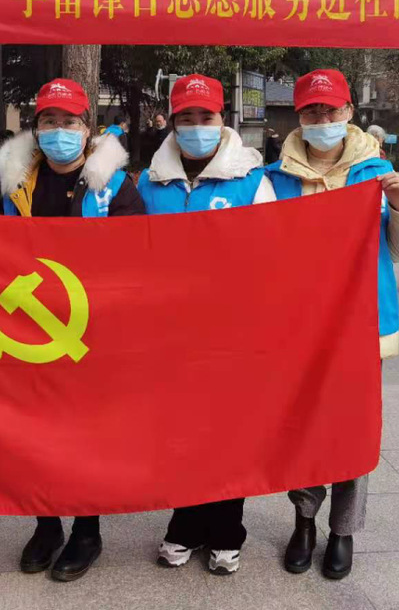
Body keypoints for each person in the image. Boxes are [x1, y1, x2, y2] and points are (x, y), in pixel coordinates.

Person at [264, 69, 399, 581]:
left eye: (331, 110)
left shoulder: (376, 176)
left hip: (361, 323)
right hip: (299, 327)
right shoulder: (274, 179)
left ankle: (343, 530)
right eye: (312, 111)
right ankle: (304, 521)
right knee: (304, 428)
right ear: (299, 116)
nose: (322, 119)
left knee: (353, 431)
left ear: (349, 112)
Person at [0, 78, 145, 581]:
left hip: (91, 332)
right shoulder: (12, 186)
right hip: (31, 330)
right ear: (36, 129)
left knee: (87, 434)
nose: (59, 130)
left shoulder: (115, 187)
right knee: (35, 432)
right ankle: (46, 524)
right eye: (49, 121)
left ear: (87, 127)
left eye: (69, 121)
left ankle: (87, 531)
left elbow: (138, 255)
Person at [138, 73, 275, 576]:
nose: (197, 126)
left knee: (228, 431)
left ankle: (226, 529)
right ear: (173, 122)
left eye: (207, 116)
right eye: (187, 117)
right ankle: (186, 523)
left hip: (232, 330)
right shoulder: (150, 182)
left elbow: (273, 253)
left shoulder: (251, 180)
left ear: (223, 119)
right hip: (170, 331)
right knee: (180, 430)